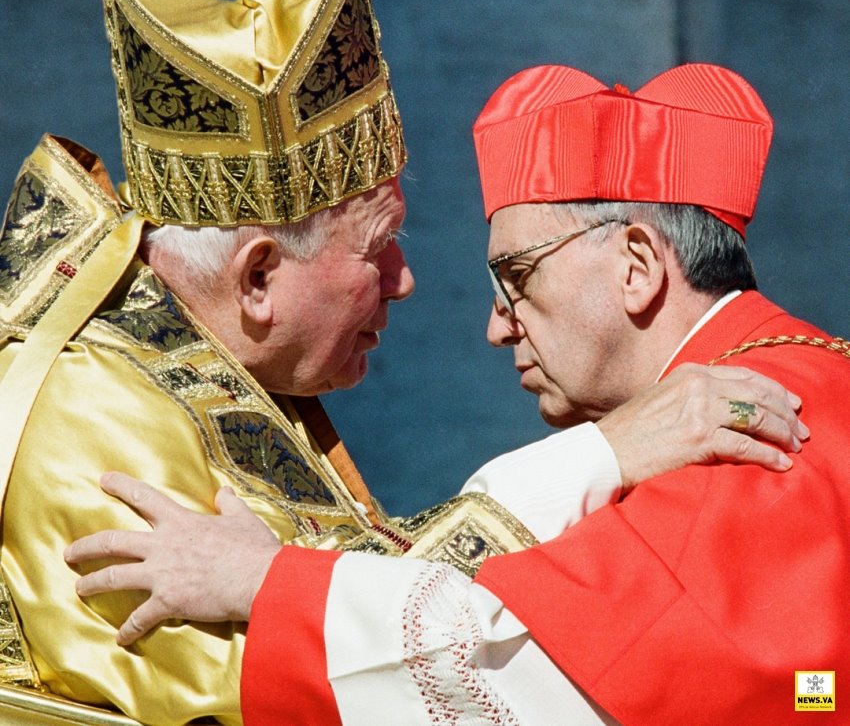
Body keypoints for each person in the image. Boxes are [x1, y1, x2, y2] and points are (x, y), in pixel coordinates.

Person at [67, 63, 849, 725]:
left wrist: (266, 585)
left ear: (637, 267)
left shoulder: (749, 431)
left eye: (517, 276)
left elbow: (515, 678)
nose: (496, 326)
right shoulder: (797, 380)